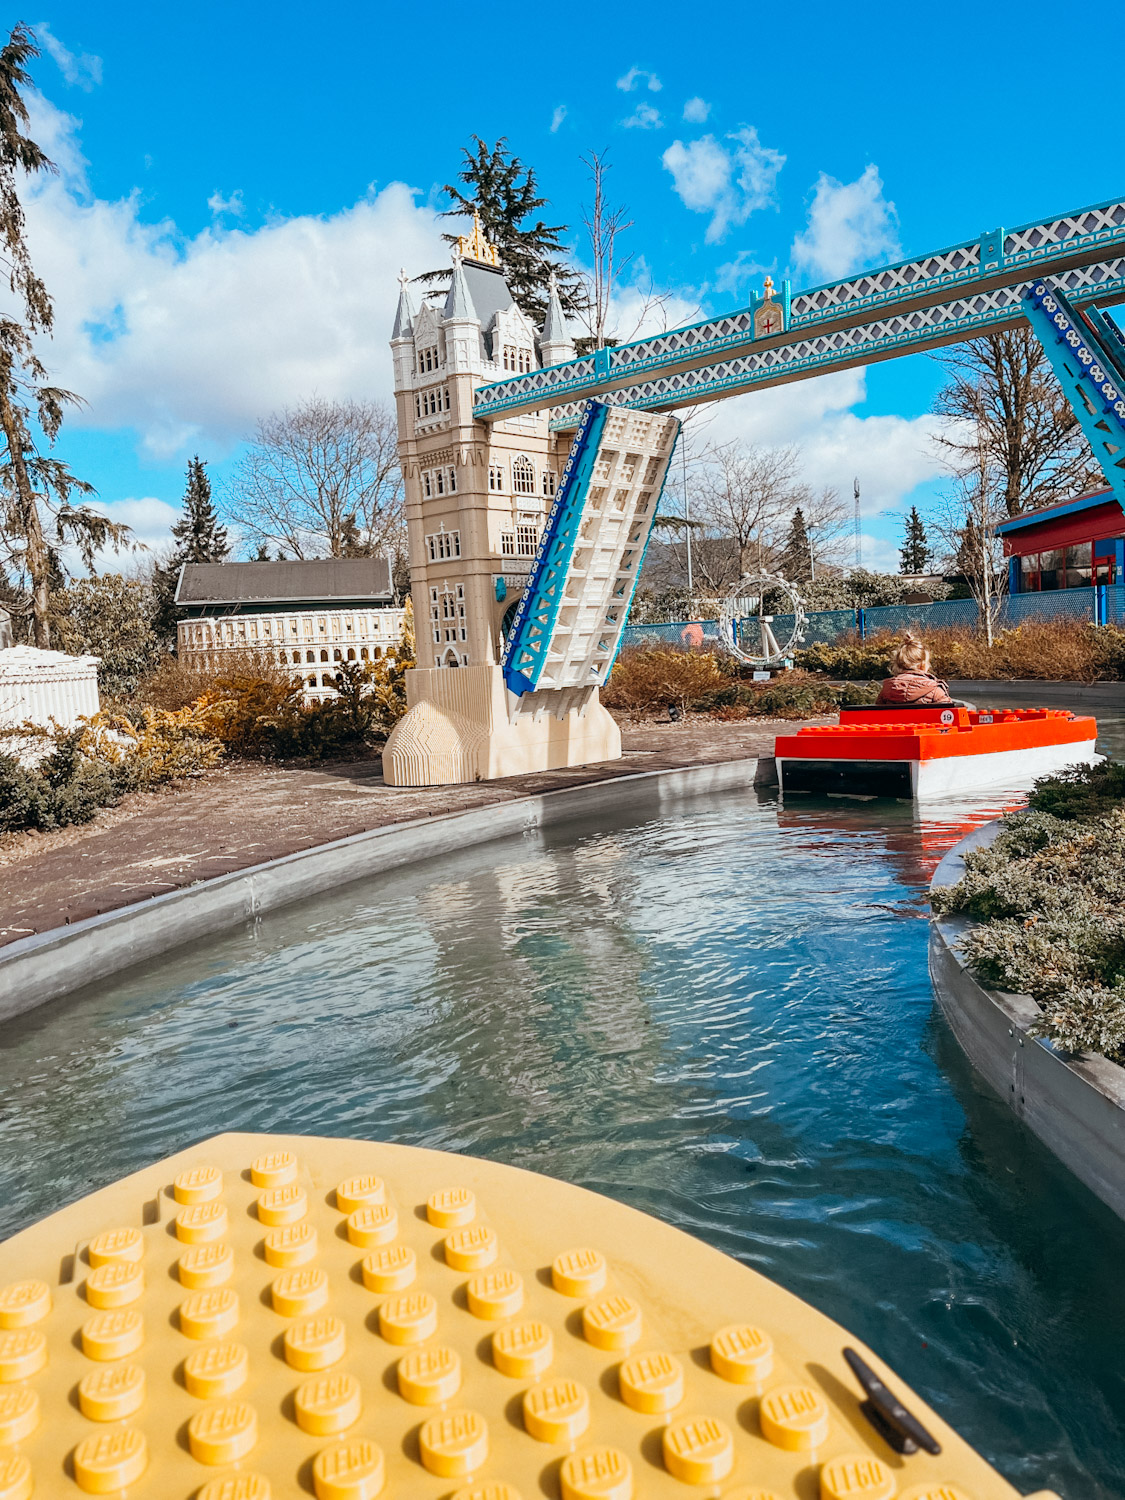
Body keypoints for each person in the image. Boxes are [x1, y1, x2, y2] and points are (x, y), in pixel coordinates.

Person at [876, 631, 953, 706]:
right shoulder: (934, 690)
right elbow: (949, 714)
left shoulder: (886, 691)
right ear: (923, 665)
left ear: (897, 665)